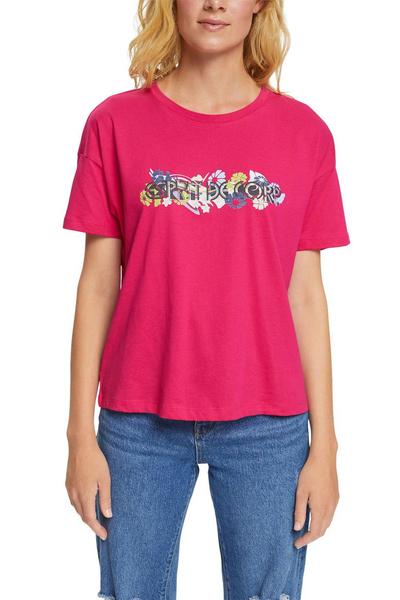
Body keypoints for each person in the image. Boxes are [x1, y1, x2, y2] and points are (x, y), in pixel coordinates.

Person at [63, 1, 351, 599]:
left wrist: (325, 444)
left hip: (269, 422)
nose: (215, 3)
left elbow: (306, 295)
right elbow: (97, 285)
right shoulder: (114, 124)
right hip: (138, 419)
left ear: (259, 5)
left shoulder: (305, 134)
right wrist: (78, 436)